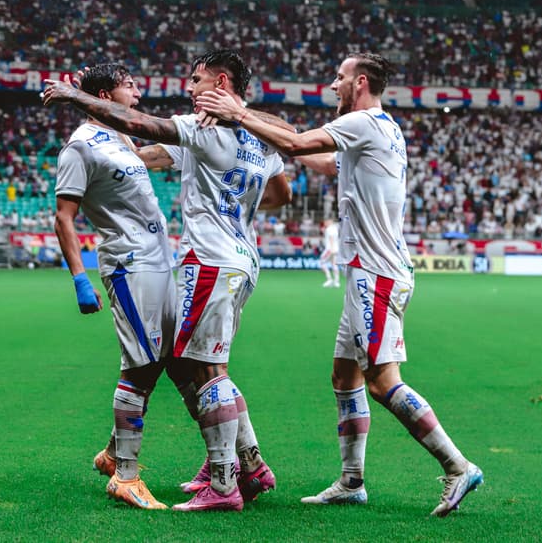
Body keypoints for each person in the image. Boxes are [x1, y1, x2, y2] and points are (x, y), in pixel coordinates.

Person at [196, 52, 482, 517]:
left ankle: (457, 465)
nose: (333, 85)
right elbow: (326, 163)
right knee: (344, 376)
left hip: (377, 272)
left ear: (360, 82)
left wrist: (241, 115)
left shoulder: (363, 121)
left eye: (339, 77)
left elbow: (297, 145)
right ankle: (352, 481)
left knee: (383, 382)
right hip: (368, 270)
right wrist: (265, 133)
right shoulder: (381, 128)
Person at [44, 49, 293, 512]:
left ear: (221, 83)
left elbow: (144, 128)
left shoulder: (201, 130)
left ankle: (220, 481)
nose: (189, 88)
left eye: (197, 80)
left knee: (201, 368)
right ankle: (245, 464)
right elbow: (283, 188)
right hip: (233, 258)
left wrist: (76, 95)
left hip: (209, 258)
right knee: (184, 364)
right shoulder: (261, 136)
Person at [53, 63, 197, 510]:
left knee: (169, 360)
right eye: (128, 85)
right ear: (104, 95)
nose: (137, 91)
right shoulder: (79, 146)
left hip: (160, 261)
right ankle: (125, 477)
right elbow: (63, 217)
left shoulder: (121, 138)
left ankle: (115, 453)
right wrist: (80, 279)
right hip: (128, 264)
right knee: (140, 365)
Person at [320, 218, 340, 288]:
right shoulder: (335, 228)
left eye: (325, 222)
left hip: (330, 249)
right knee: (334, 264)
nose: (324, 223)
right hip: (336, 249)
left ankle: (329, 279)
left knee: (322, 262)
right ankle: (336, 282)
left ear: (329, 221)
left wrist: (331, 248)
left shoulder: (329, 229)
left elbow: (331, 238)